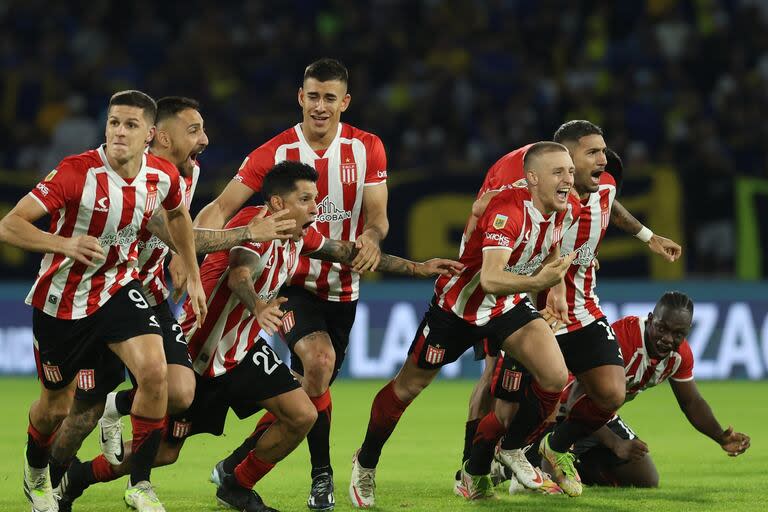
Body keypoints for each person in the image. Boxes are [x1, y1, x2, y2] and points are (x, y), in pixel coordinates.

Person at [58, 160, 460, 512]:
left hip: (241, 355)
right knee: (164, 452)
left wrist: (417, 268)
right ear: (279, 203)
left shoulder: (300, 235)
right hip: (201, 358)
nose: (315, 208)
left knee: (301, 414)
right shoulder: (253, 226)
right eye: (306, 199)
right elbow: (239, 274)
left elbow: (347, 252)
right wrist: (258, 307)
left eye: (315, 199)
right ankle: (78, 477)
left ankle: (237, 483)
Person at [46, 97, 296, 504]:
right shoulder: (136, 173)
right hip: (103, 298)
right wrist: (247, 234)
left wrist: (187, 267)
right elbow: (176, 232)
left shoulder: (188, 172)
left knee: (179, 391)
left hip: (150, 297)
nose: (205, 139)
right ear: (160, 136)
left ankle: (136, 479)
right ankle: (52, 482)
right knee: (80, 415)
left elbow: (181, 231)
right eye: (193, 130)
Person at [191, 57, 389, 511]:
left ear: (345, 102)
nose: (320, 106)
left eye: (330, 98)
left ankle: (235, 468)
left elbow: (377, 218)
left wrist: (372, 239)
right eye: (313, 97)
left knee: (310, 389)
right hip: (289, 283)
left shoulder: (368, 148)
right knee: (317, 364)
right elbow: (219, 209)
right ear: (301, 98)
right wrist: (192, 255)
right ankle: (322, 476)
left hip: (342, 287)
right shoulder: (271, 154)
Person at [0, 90, 207, 512]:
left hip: (117, 287)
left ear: (149, 134)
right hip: (61, 300)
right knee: (54, 408)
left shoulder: (161, 175)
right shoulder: (75, 173)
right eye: (114, 122)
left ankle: (140, 484)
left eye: (130, 125)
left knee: (154, 371)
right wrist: (64, 244)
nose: (119, 131)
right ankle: (36, 471)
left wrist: (191, 268)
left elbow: (179, 215)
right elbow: (9, 226)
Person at [457, 122, 683, 497]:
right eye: (594, 153)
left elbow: (613, 206)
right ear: (566, 160)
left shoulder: (602, 186)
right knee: (499, 390)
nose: (603, 160)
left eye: (604, 152)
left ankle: (553, 448)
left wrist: (648, 236)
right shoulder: (529, 195)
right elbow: (495, 226)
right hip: (526, 307)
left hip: (580, 309)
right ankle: (473, 464)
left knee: (611, 392)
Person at [348, 142, 580, 507]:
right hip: (458, 310)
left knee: (555, 376)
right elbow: (490, 278)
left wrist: (556, 289)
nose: (569, 180)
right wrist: (539, 282)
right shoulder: (507, 212)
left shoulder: (570, 205)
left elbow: (550, 246)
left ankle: (513, 449)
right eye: (559, 173)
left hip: (506, 307)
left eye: (570, 171)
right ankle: (365, 463)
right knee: (406, 389)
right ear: (532, 178)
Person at [530, 291, 751, 487]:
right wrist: (616, 444)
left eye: (677, 334)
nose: (667, 339)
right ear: (651, 319)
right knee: (548, 485)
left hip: (599, 416)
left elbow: (691, 403)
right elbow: (575, 400)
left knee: (645, 478)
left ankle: (576, 466)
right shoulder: (622, 340)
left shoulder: (680, 355)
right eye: (662, 328)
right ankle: (528, 457)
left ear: (687, 332)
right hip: (561, 412)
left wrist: (721, 437)